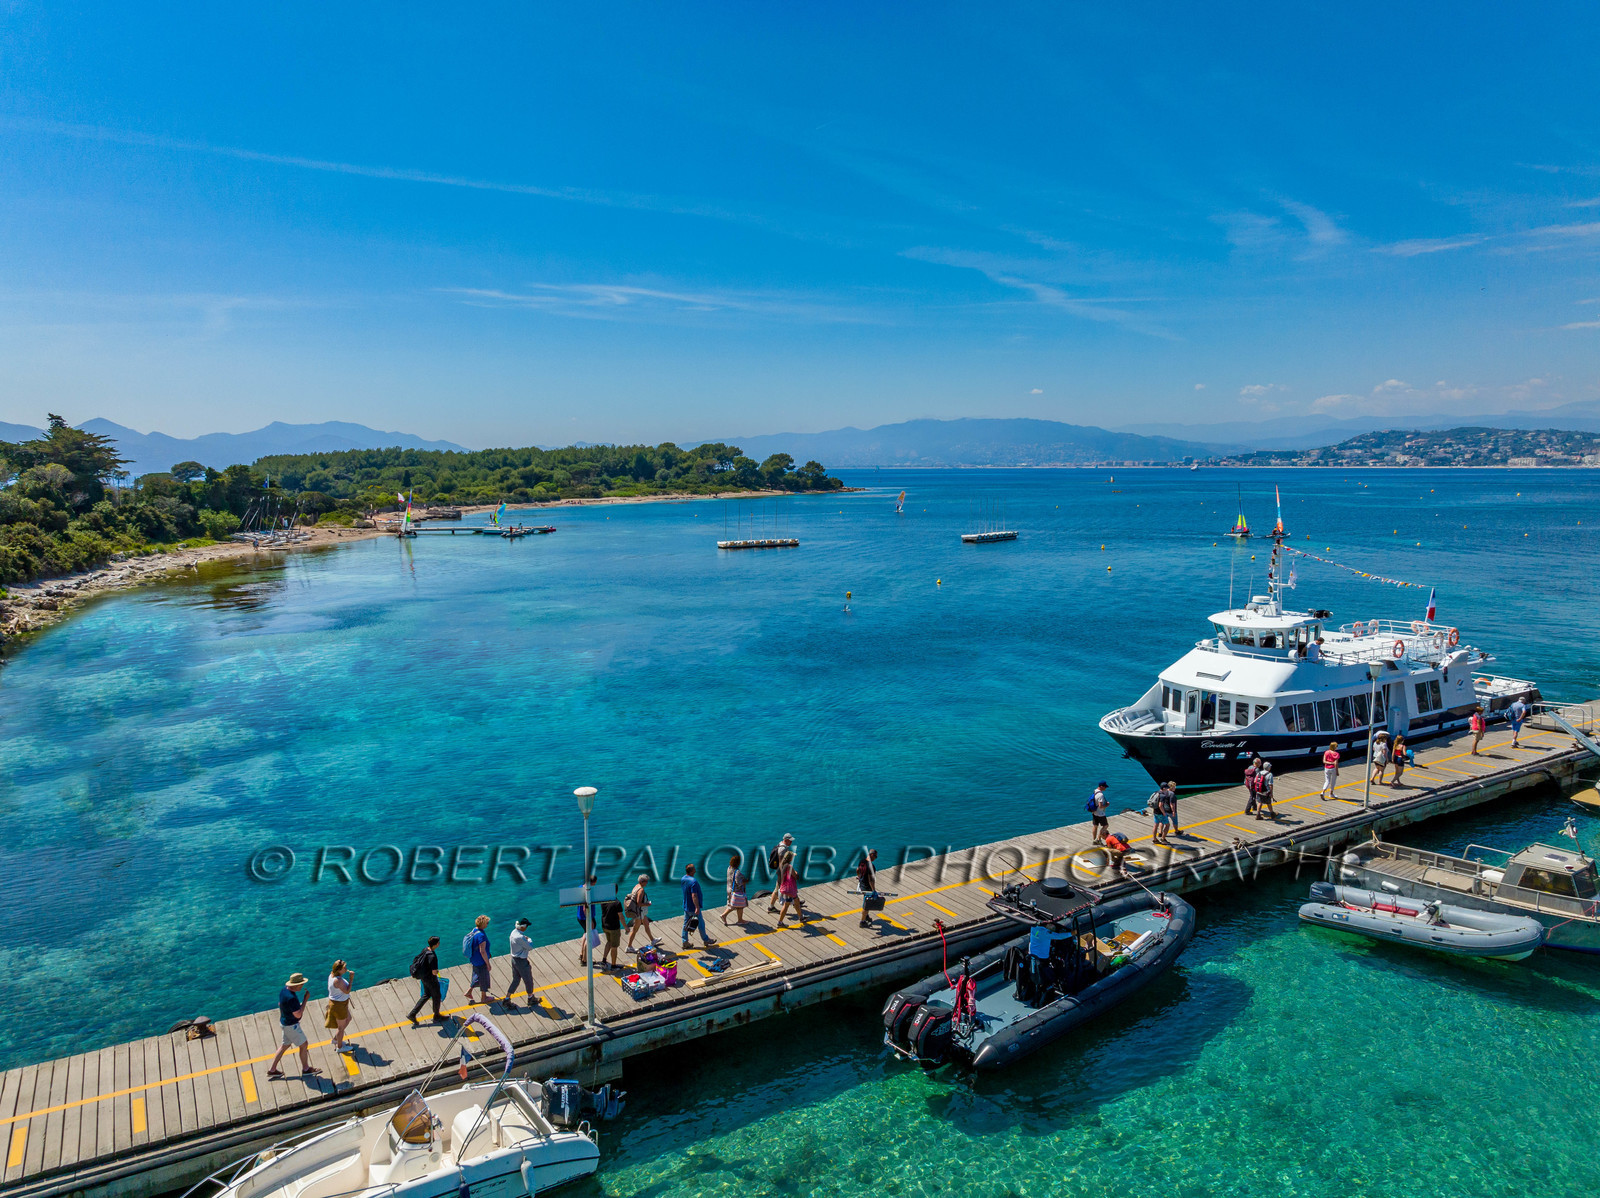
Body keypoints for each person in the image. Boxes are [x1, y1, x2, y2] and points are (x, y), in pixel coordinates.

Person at [267, 972, 320, 1078]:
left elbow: (280, 1004)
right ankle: (306, 1069)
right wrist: (305, 1000)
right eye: (301, 984)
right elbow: (298, 1015)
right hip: (291, 1026)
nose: (302, 986)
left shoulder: (284, 990)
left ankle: (272, 1070)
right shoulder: (292, 998)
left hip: (284, 1022)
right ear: (296, 985)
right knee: (304, 1044)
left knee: (284, 1046)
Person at [407, 937, 443, 1025]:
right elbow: (434, 972)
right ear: (435, 944)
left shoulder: (425, 950)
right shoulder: (433, 956)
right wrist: (437, 971)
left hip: (424, 977)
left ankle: (412, 1014)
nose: (439, 944)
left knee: (427, 995)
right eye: (438, 943)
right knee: (437, 996)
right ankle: (437, 1016)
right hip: (431, 979)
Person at [680, 863, 716, 948]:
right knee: (701, 924)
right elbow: (694, 895)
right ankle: (706, 940)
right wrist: (697, 907)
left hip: (686, 906)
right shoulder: (694, 881)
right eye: (694, 869)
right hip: (693, 907)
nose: (695, 870)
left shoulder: (683, 878)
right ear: (692, 871)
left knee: (686, 924)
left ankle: (685, 942)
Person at [324, 960, 354, 1053]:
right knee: (341, 1028)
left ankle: (336, 1039)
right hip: (339, 1005)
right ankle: (340, 1047)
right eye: (344, 968)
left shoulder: (332, 975)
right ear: (339, 970)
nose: (346, 969)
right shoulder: (338, 981)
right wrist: (351, 979)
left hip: (339, 1003)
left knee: (348, 1018)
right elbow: (347, 991)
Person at [466, 914, 495, 1005]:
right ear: (483, 924)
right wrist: (488, 963)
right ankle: (484, 997)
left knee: (477, 975)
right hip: (481, 960)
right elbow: (482, 951)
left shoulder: (474, 930)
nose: (488, 924)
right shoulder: (481, 936)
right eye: (487, 923)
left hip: (474, 958)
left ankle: (469, 991)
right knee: (484, 978)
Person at [505, 918, 535, 1004]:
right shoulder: (520, 937)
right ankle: (530, 998)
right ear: (522, 927)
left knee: (516, 980)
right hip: (521, 961)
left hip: (514, 960)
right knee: (528, 980)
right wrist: (529, 939)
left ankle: (507, 998)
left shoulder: (513, 933)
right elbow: (530, 947)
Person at [624, 874, 655, 950]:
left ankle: (653, 940)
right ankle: (629, 946)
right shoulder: (641, 890)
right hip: (639, 912)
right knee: (635, 929)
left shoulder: (636, 886)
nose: (647, 883)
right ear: (642, 881)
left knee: (646, 924)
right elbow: (638, 903)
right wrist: (647, 904)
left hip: (640, 912)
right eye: (646, 881)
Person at [767, 834, 796, 912]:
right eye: (790, 841)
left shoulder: (781, 844)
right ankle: (795, 902)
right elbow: (781, 863)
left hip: (782, 871)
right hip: (782, 872)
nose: (791, 842)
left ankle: (796, 902)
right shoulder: (782, 849)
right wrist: (784, 874)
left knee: (779, 888)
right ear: (785, 840)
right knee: (779, 889)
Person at [773, 859, 803, 927]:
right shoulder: (789, 866)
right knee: (786, 905)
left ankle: (801, 917)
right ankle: (780, 922)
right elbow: (795, 876)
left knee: (797, 901)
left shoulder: (781, 865)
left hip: (785, 887)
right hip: (789, 889)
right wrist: (796, 873)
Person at [722, 853, 749, 926]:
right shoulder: (737, 872)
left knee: (732, 905)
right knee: (740, 906)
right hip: (737, 891)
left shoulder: (729, 868)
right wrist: (746, 881)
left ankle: (724, 915)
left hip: (729, 889)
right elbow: (739, 883)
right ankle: (740, 920)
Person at [599, 895, 624, 971]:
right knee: (614, 947)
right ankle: (613, 965)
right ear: (616, 892)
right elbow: (621, 916)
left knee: (609, 942)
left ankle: (604, 960)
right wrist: (626, 927)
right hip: (614, 928)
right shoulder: (617, 903)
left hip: (605, 926)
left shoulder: (603, 900)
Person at [856, 849, 879, 928]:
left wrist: (859, 877)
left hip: (862, 885)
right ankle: (862, 922)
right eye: (875, 856)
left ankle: (866, 916)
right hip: (867, 887)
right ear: (872, 855)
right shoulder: (871, 866)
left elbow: (858, 870)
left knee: (866, 901)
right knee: (867, 905)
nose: (875, 858)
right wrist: (873, 890)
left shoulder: (862, 861)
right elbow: (871, 880)